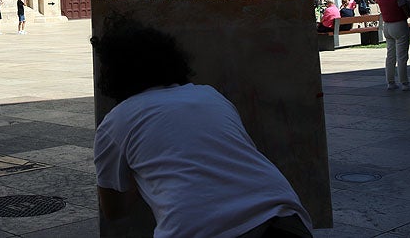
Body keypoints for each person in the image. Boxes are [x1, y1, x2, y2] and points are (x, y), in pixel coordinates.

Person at [91, 15, 312, 237]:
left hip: (200, 229)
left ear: (112, 73)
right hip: (284, 217)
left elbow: (114, 210)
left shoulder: (116, 122)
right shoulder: (210, 95)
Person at [377, 0, 410, 91]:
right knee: (402, 56)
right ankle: (405, 83)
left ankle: (390, 82)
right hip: (399, 25)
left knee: (390, 56)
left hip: (386, 26)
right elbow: (407, 12)